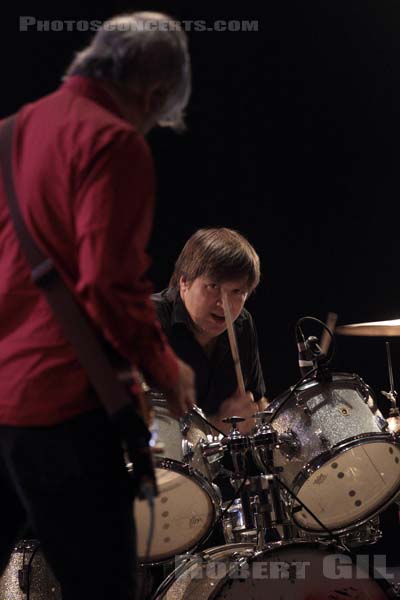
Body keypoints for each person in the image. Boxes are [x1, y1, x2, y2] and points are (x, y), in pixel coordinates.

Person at [0, 11, 195, 600]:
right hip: (62, 406)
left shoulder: (11, 131)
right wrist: (166, 367)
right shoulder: (112, 142)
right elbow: (108, 285)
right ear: (155, 93)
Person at [153, 227, 268, 435]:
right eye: (213, 286)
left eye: (236, 292)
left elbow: (257, 402)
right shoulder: (150, 321)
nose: (224, 304)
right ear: (184, 282)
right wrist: (218, 428)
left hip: (225, 465)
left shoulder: (242, 325)